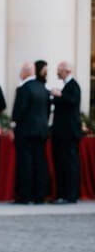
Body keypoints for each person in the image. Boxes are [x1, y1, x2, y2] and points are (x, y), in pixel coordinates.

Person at [11, 62, 51, 204]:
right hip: (41, 131)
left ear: (26, 72)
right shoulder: (43, 88)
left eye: (21, 71)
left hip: (25, 132)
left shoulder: (23, 89)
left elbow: (18, 112)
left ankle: (25, 196)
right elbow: (47, 111)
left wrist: (13, 124)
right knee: (40, 163)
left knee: (25, 164)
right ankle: (39, 196)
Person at [50, 61, 82, 203]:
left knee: (69, 164)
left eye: (59, 70)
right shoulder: (68, 86)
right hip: (63, 133)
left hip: (68, 133)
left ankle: (70, 195)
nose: (57, 72)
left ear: (67, 71)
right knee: (63, 163)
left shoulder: (73, 85)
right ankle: (64, 194)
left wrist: (59, 95)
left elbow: (73, 101)